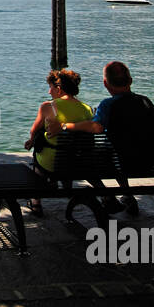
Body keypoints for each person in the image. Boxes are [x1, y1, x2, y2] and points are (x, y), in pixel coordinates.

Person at [60, 61, 154, 216]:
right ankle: (127, 195)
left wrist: (66, 126)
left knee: (85, 158)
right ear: (130, 81)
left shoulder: (108, 104)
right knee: (115, 151)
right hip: (148, 160)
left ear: (105, 83)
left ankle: (106, 196)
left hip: (123, 162)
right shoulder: (145, 101)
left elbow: (96, 128)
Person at [22, 68, 94, 217]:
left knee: (39, 151)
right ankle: (64, 184)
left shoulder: (48, 107)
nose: (49, 92)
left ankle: (36, 202)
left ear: (59, 89)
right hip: (76, 162)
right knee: (66, 149)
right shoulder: (87, 109)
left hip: (52, 164)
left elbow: (33, 131)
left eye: (51, 87)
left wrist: (31, 140)